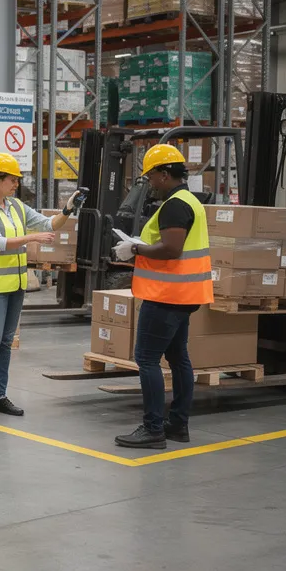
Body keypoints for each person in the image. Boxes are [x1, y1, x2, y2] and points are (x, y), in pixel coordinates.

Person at [111, 144, 213, 449]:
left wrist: (136, 249)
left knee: (146, 358)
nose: (150, 182)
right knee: (178, 356)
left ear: (165, 174)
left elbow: (171, 249)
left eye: (152, 176)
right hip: (185, 293)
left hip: (167, 295)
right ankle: (178, 424)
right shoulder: (190, 202)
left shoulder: (173, 206)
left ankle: (153, 428)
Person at [0, 153, 82, 416]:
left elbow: (48, 223)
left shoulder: (16, 207)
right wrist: (32, 238)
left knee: (6, 342)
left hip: (15, 285)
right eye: (12, 179)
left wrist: (67, 209)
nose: (16, 184)